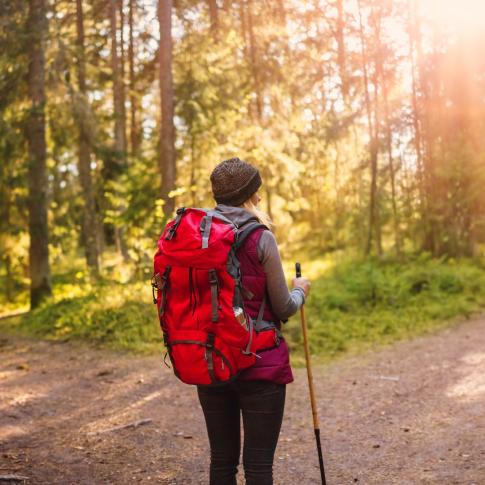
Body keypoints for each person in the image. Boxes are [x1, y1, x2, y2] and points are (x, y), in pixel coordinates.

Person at [197, 157, 311, 485]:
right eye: (256, 192)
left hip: (211, 360)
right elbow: (284, 307)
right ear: (247, 196)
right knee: (258, 464)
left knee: (222, 461)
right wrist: (300, 291)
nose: (259, 198)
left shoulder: (199, 235)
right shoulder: (261, 238)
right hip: (259, 362)